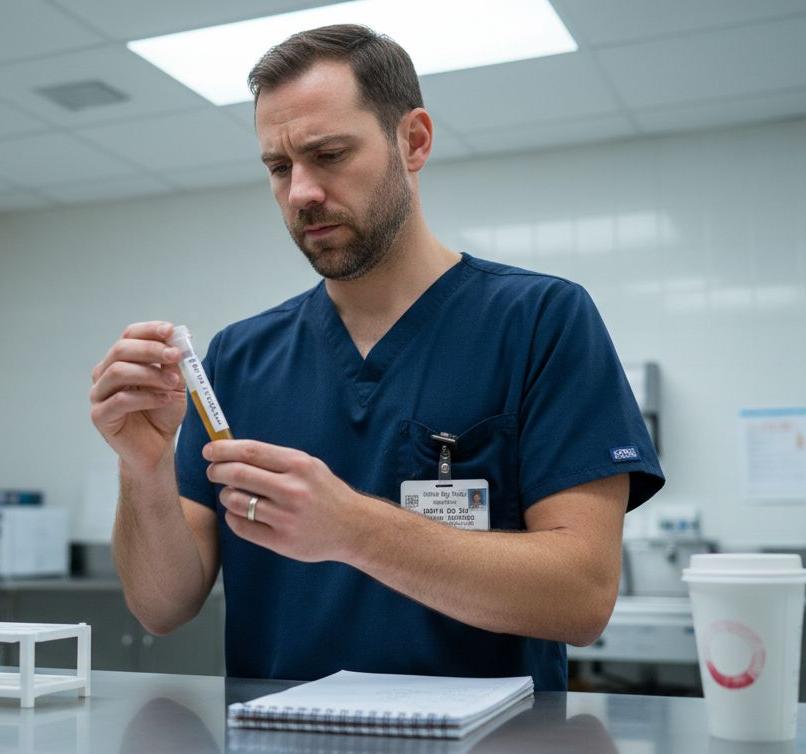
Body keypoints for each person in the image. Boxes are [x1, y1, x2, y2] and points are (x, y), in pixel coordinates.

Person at [89, 24, 664, 690]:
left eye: (329, 154)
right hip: (277, 749)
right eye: (279, 168)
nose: (300, 192)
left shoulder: (539, 321)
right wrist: (145, 466)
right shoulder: (240, 357)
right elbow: (162, 605)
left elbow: (581, 597)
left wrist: (353, 529)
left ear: (413, 141)